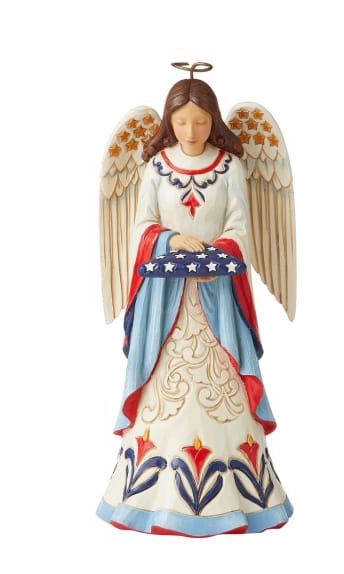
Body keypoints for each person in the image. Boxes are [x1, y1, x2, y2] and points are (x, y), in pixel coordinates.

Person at [96, 77, 293, 536]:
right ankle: (149, 492)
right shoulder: (155, 167)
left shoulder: (229, 167)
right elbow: (142, 226)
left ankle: (239, 492)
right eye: (182, 122)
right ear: (170, 121)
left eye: (200, 122)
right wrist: (169, 240)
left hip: (216, 300)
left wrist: (218, 255)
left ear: (213, 120)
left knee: (222, 389)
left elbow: (240, 226)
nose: (191, 131)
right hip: (166, 305)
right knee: (164, 395)